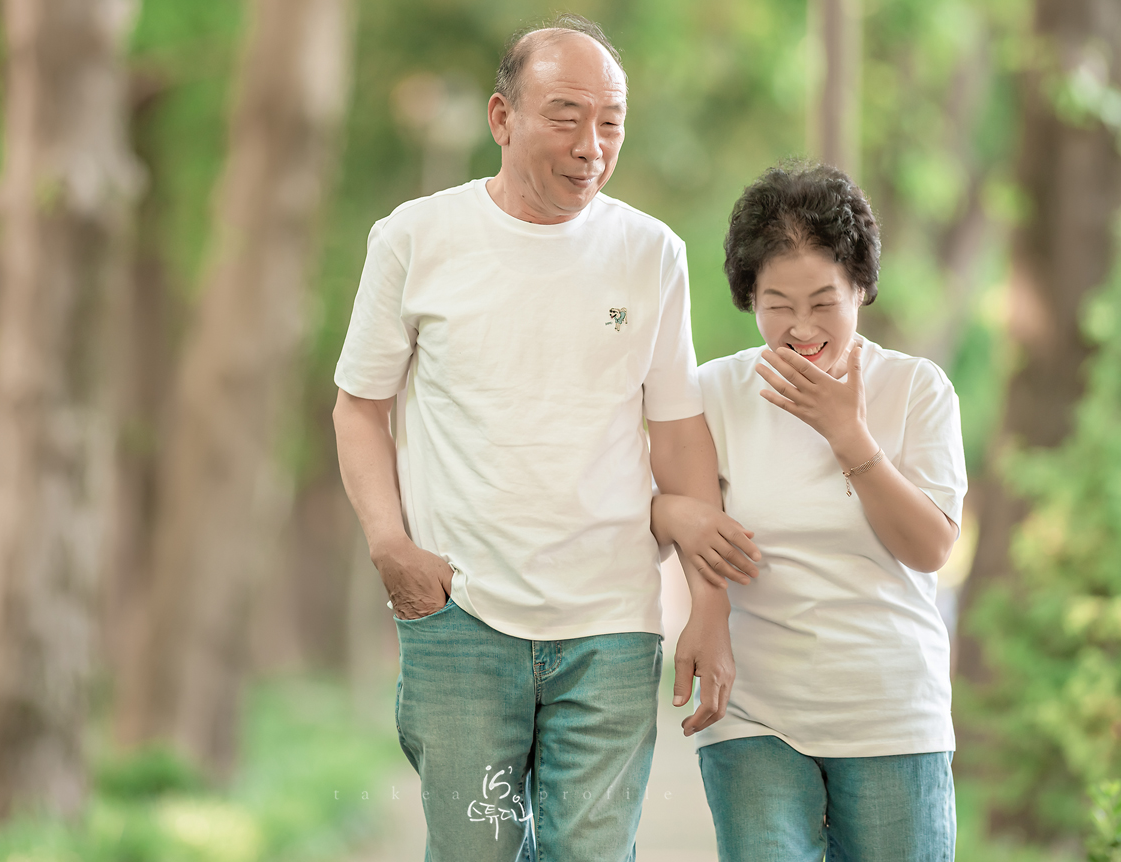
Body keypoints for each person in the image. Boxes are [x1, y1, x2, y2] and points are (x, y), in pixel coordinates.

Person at [331, 14, 758, 862]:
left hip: (610, 623)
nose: (591, 145)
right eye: (565, 116)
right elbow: (358, 407)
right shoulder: (416, 239)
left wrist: (709, 609)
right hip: (462, 617)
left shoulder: (651, 254)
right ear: (502, 118)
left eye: (611, 122)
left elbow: (678, 443)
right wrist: (390, 545)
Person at [652, 162, 967, 861]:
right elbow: (652, 503)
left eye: (824, 303)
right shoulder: (714, 394)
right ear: (748, 297)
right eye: (776, 303)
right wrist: (676, 517)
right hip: (755, 713)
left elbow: (930, 548)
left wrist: (848, 435)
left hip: (891, 716)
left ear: (860, 287)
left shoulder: (916, 390)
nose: (800, 329)